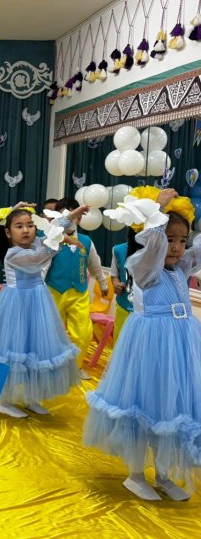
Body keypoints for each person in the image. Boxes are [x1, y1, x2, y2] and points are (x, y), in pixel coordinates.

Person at [84, 187, 201, 501]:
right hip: (150, 346)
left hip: (181, 347)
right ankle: (135, 476)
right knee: (143, 409)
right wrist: (156, 212)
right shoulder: (143, 266)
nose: (176, 247)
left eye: (182, 241)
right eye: (169, 238)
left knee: (170, 411)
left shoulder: (180, 269)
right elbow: (152, 247)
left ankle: (163, 475)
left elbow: (198, 251)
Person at [0, 205, 87, 418]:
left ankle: (31, 396)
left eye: (30, 225)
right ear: (8, 232)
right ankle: (3, 400)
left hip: (38, 301)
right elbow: (38, 258)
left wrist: (72, 216)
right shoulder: (13, 254)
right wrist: (61, 239)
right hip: (17, 305)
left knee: (36, 350)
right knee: (14, 351)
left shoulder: (38, 243)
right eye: (19, 226)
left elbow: (53, 230)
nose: (26, 230)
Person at [45, 198, 108, 380]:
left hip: (78, 293)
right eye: (67, 216)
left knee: (83, 332)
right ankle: (51, 366)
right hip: (54, 291)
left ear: (80, 218)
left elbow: (94, 264)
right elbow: (42, 264)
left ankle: (76, 366)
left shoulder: (86, 241)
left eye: (75, 216)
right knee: (51, 332)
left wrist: (103, 283)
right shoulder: (51, 239)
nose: (71, 219)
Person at [109, 238, 134, 340]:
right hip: (123, 307)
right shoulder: (118, 250)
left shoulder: (155, 250)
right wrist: (116, 284)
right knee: (120, 341)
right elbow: (114, 274)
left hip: (146, 312)